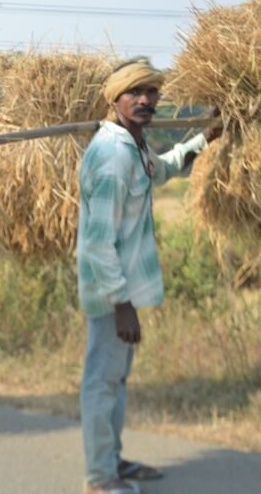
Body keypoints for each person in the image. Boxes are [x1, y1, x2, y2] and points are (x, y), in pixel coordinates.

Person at [77, 59, 221, 494]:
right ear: (115, 100)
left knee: (114, 380)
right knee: (102, 382)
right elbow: (98, 243)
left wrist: (205, 138)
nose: (145, 100)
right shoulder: (112, 157)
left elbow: (164, 167)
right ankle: (100, 478)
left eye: (151, 92)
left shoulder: (134, 148)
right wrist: (122, 304)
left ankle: (111, 462)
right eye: (134, 93)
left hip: (120, 289)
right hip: (111, 293)